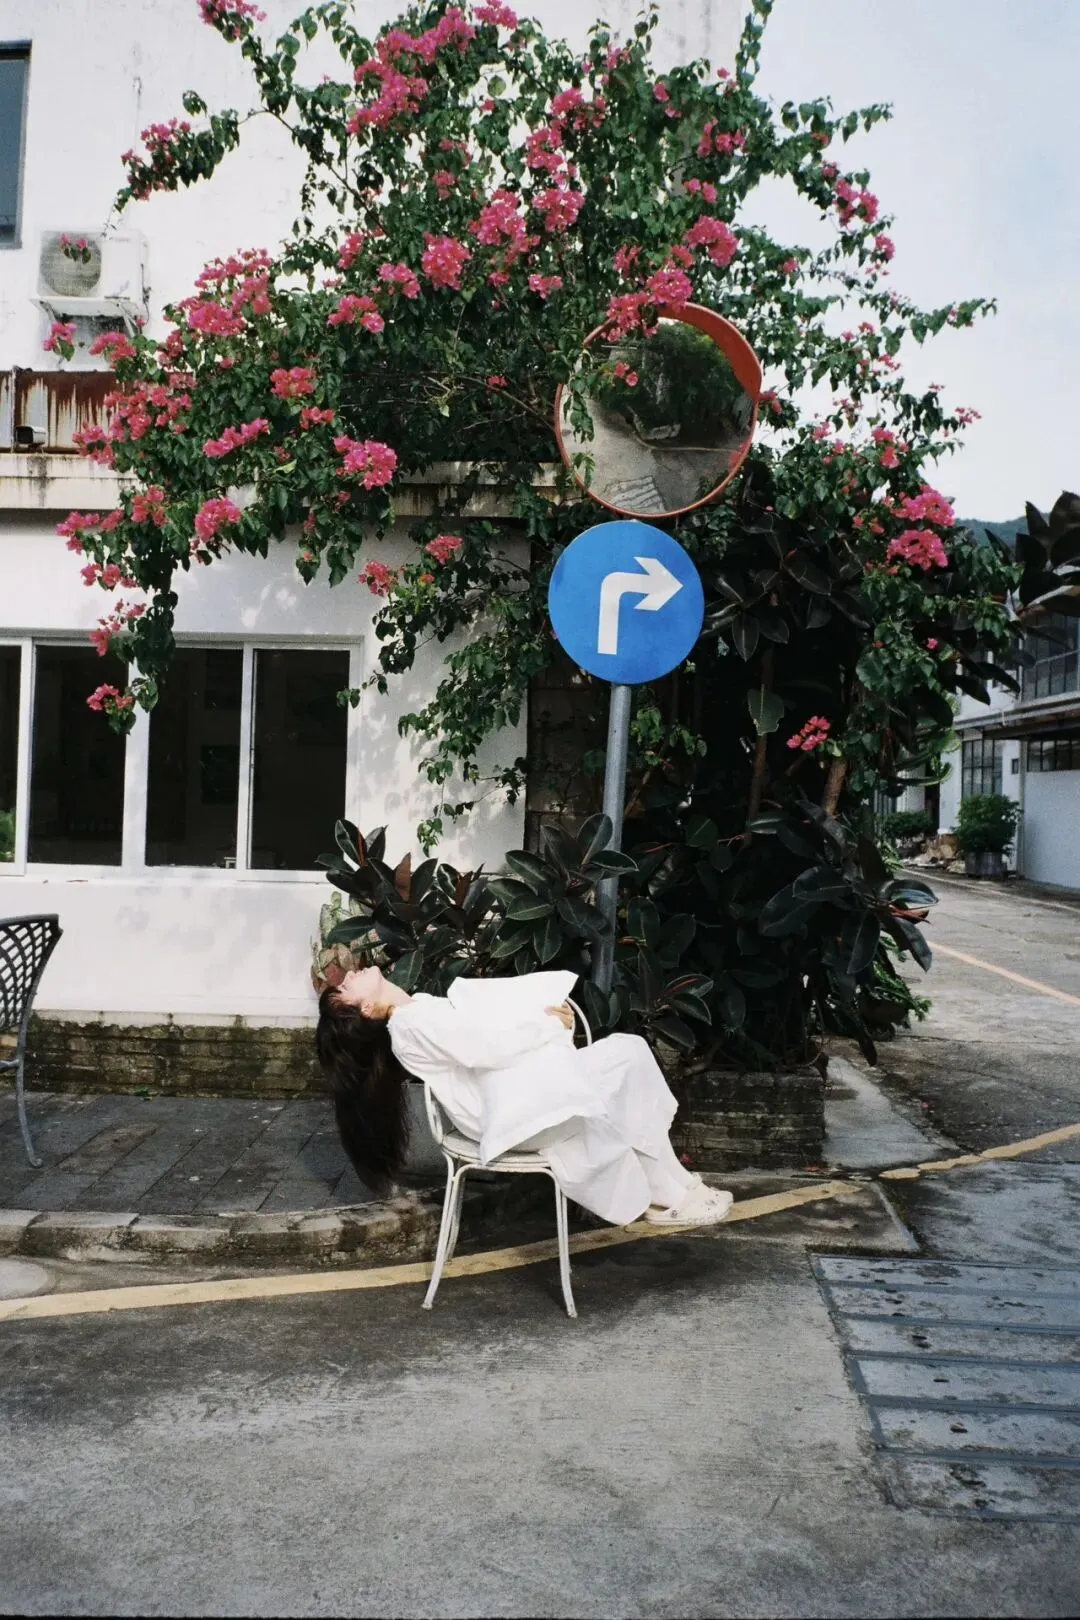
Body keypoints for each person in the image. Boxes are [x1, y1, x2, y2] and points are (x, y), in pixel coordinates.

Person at [316, 964, 734, 1228]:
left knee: (627, 1052)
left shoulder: (417, 1010)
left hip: (512, 1087)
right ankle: (667, 1195)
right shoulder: (410, 1025)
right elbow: (487, 1048)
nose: (347, 976)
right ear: (366, 1009)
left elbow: (491, 1033)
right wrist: (550, 1027)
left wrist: (555, 1023)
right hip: (506, 1110)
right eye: (344, 990)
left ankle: (673, 1183)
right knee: (620, 1069)